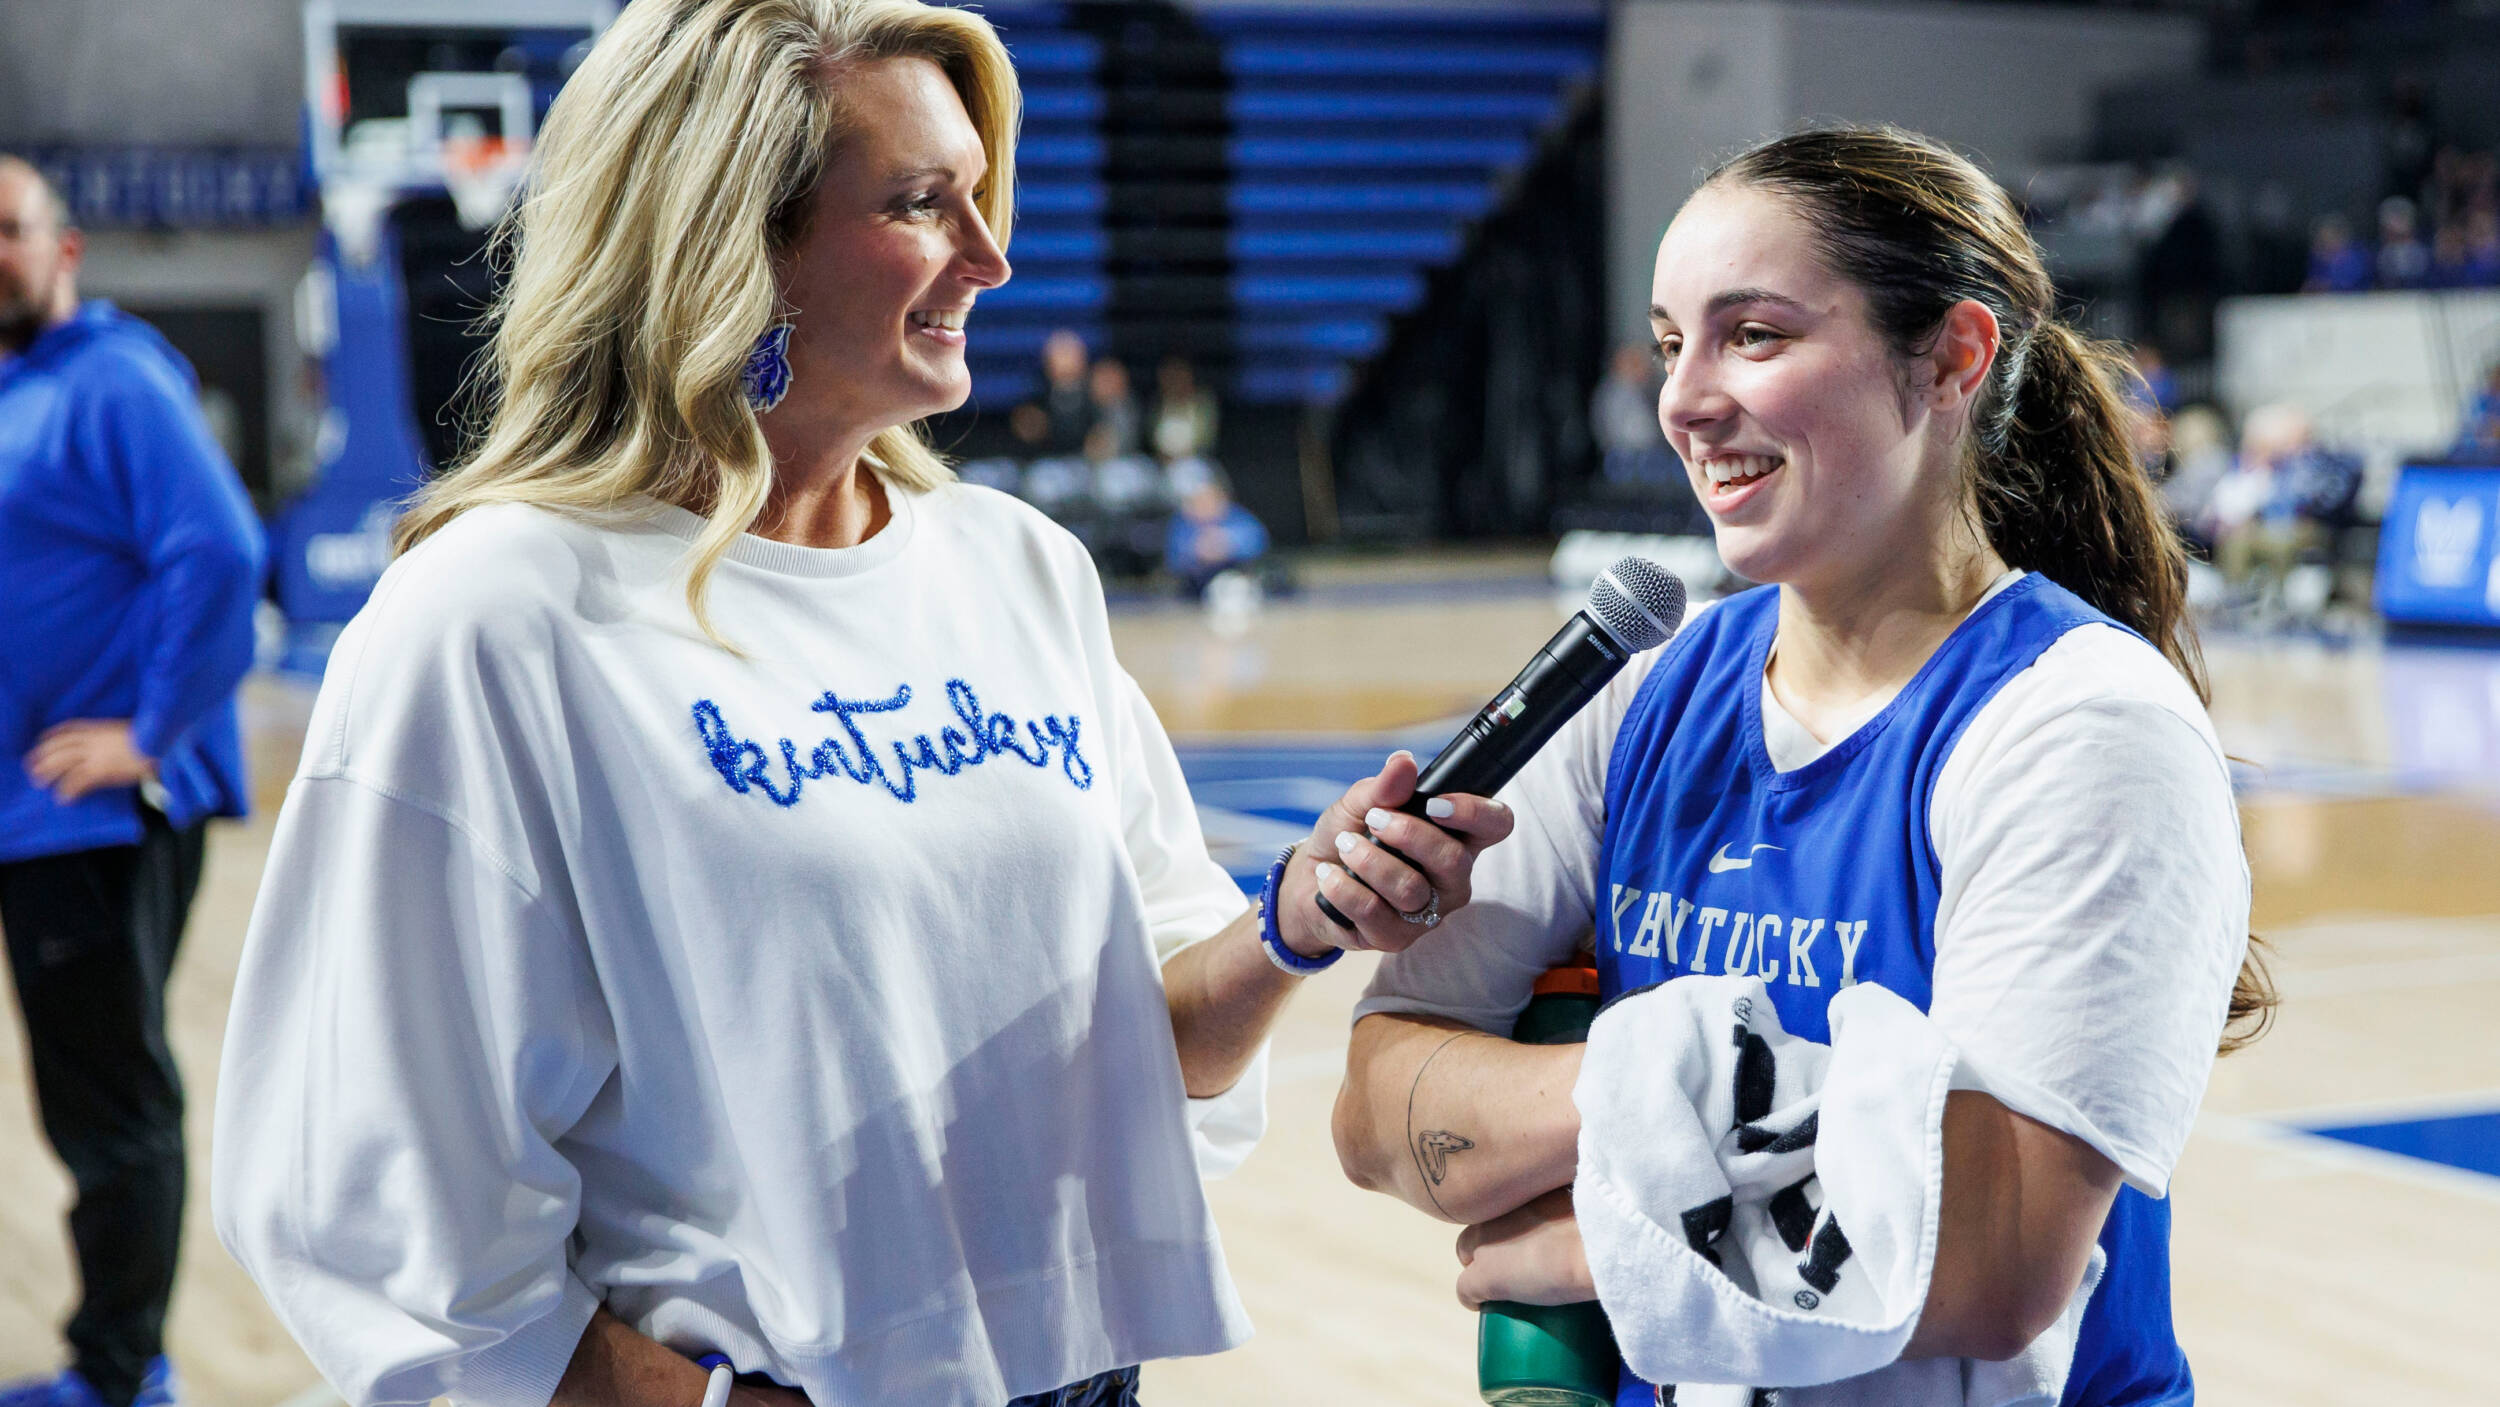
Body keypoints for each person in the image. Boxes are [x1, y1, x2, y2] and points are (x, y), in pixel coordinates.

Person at [207, 5, 1504, 1407]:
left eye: (980, 196)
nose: (993, 257)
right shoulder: (498, 615)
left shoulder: (1016, 568)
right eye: (920, 204)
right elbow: (370, 1193)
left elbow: (1145, 1042)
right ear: (729, 243)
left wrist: (1295, 920)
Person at [1332, 126, 2268, 1406]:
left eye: (1753, 336)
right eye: (1671, 344)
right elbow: (1381, 1103)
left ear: (1950, 357)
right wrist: (1673, 1088)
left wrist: (1593, 1233)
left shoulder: (2086, 727)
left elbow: (1992, 1261)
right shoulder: (1639, 698)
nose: (1684, 399)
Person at [0, 157, 266, 1407]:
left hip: (92, 814)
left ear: (66, 248)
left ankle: (119, 1377)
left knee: (111, 1109)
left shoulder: (110, 379)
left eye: (7, 228)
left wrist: (147, 733)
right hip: (29, 818)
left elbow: (217, 551)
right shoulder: (17, 391)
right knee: (81, 1099)